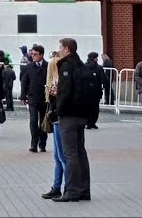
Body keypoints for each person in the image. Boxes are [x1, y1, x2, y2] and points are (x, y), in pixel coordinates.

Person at [54, 37, 91, 202]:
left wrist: (58, 109)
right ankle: (84, 189)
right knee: (80, 152)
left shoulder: (67, 66)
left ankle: (72, 191)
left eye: (60, 47)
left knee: (70, 154)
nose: (59, 50)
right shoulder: (82, 65)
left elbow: (66, 92)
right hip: (82, 114)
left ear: (67, 48)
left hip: (69, 115)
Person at [40, 54, 66, 201]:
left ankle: (66, 187)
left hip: (58, 120)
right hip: (56, 119)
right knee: (58, 157)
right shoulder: (55, 83)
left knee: (61, 157)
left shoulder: (58, 83)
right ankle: (56, 187)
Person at [21, 44, 49, 153]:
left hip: (44, 98)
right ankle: (33, 144)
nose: (33, 56)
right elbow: (24, 82)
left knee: (43, 121)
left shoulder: (48, 66)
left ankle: (42, 143)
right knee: (33, 121)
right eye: (32, 54)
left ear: (41, 55)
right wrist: (23, 96)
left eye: (35, 54)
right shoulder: (29, 66)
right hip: (32, 97)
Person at [83, 52, 105, 129]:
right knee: (95, 108)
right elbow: (103, 79)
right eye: (96, 58)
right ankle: (92, 122)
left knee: (87, 107)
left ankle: (88, 122)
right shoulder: (99, 68)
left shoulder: (84, 66)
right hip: (96, 91)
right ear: (94, 58)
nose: (97, 59)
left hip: (86, 91)